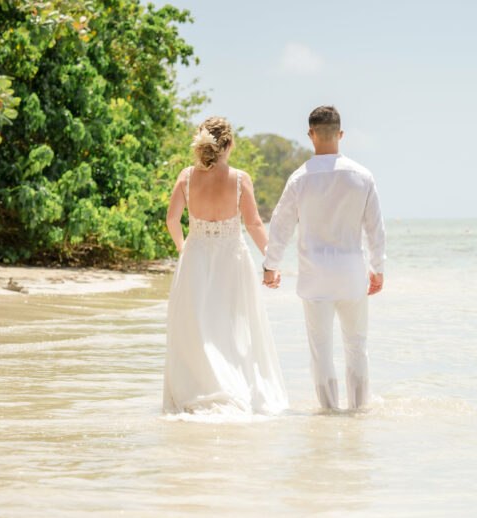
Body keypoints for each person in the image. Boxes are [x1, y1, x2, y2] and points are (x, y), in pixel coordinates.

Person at [262, 105, 386, 410]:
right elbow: (375, 229)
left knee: (320, 351)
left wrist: (270, 267)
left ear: (311, 135)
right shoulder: (362, 176)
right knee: (357, 347)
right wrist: (378, 268)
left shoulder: (299, 179)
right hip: (351, 275)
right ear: (341, 134)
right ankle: (358, 412)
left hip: (315, 278)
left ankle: (329, 414)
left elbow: (280, 226)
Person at [162, 117, 289, 415]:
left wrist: (184, 249)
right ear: (229, 144)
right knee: (235, 328)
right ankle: (236, 387)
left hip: (195, 258)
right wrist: (271, 261)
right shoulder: (240, 178)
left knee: (197, 328)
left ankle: (199, 388)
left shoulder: (186, 177)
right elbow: (254, 223)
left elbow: (171, 220)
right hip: (233, 260)